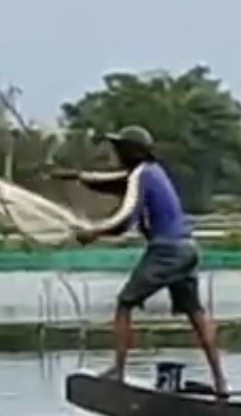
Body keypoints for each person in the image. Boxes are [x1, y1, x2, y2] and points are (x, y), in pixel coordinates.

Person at [52, 125, 229, 396]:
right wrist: (78, 177)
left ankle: (118, 371)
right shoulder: (153, 172)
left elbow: (124, 220)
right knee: (196, 314)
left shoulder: (141, 175)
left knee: (125, 303)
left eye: (119, 149)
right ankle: (221, 383)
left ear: (132, 152)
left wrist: (94, 233)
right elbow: (115, 183)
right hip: (188, 248)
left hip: (167, 250)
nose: (116, 154)